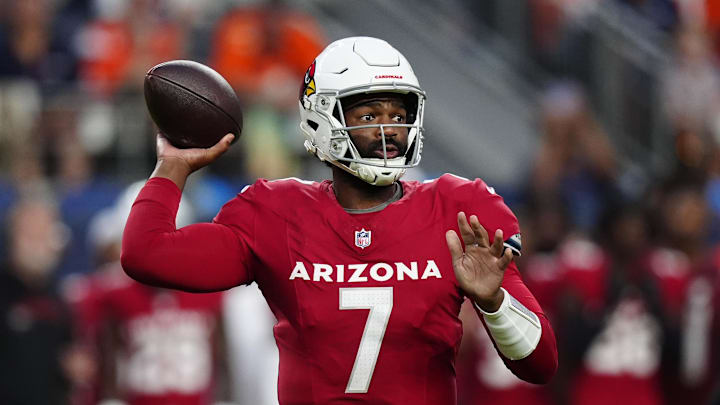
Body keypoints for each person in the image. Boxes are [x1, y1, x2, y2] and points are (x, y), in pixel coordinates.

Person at [121, 36, 558, 404]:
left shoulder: (456, 209)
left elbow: (541, 366)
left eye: (399, 116)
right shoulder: (276, 213)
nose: (389, 132)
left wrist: (494, 302)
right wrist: (173, 165)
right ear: (321, 119)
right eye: (369, 116)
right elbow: (147, 255)